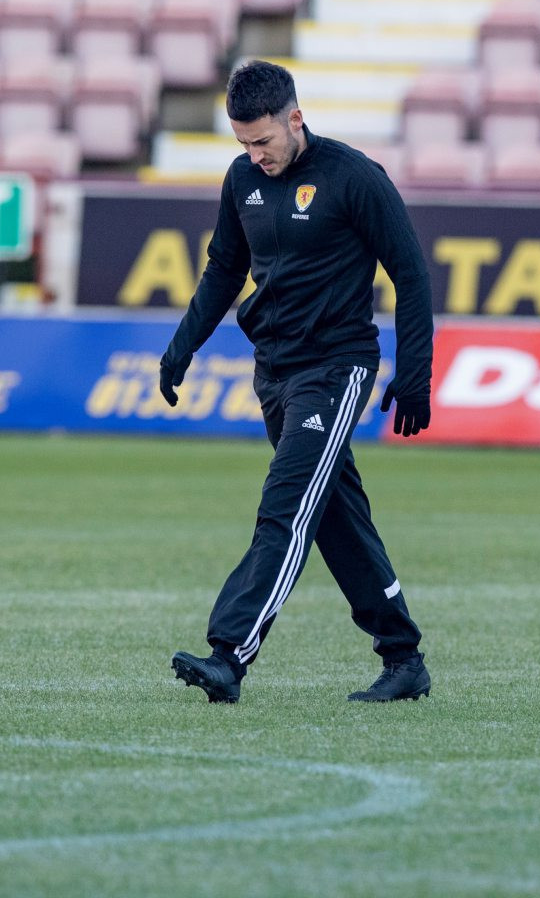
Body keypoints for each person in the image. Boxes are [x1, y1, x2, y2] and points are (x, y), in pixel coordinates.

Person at [161, 60, 434, 705]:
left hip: (336, 368)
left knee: (287, 504)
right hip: (274, 372)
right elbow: (224, 271)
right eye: (242, 144)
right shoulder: (241, 181)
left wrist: (415, 372)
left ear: (295, 118)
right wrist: (181, 348)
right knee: (338, 516)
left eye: (263, 141)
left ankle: (230, 653)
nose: (254, 156)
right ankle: (403, 657)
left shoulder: (354, 177)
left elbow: (412, 275)